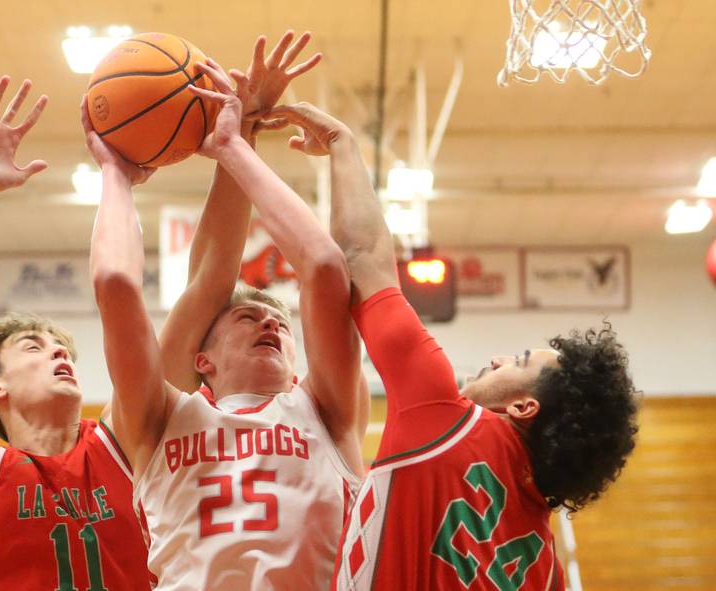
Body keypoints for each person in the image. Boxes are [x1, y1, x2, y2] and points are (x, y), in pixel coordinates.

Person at [261, 102, 639, 590]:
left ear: (524, 406)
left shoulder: (445, 418)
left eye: (519, 361)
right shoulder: (548, 572)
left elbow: (361, 256)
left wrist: (342, 146)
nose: (500, 358)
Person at [84, 33, 368, 591]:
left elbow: (325, 267)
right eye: (246, 319)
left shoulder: (327, 409)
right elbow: (116, 282)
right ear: (202, 360)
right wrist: (115, 175)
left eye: (281, 325)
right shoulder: (159, 419)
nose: (271, 323)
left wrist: (238, 145)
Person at [0, 77, 152, 590]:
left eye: (62, 347)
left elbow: (125, 291)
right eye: (34, 346)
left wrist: (121, 178)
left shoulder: (123, 442)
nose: (59, 353)